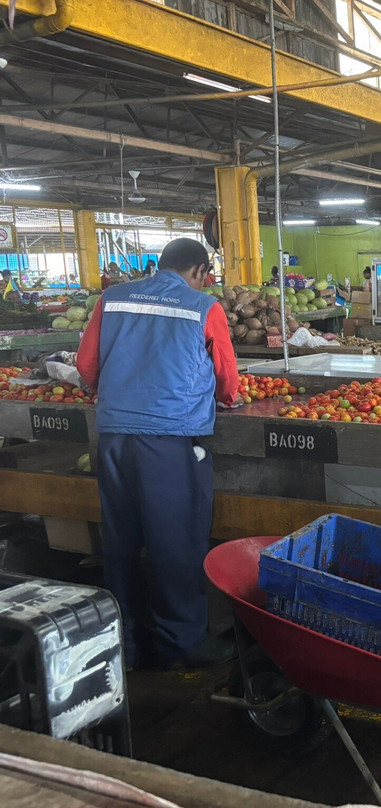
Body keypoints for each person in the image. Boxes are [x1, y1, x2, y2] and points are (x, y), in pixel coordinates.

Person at [76, 238, 239, 670]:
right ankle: (182, 643)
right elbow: (227, 378)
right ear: (200, 271)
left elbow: (87, 364)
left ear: (158, 265)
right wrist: (227, 397)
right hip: (168, 439)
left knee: (121, 542)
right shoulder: (204, 306)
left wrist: (113, 397)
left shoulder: (111, 298)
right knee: (176, 543)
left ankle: (125, 645)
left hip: (112, 438)